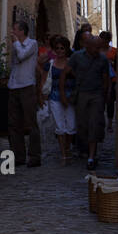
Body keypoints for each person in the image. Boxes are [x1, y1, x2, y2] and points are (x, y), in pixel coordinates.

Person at [69, 29, 111, 170]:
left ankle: (92, 156)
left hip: (96, 94)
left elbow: (106, 79)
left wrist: (105, 97)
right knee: (82, 125)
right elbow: (67, 71)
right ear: (87, 46)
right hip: (82, 94)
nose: (98, 50)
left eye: (99, 47)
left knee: (94, 123)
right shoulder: (77, 57)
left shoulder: (103, 59)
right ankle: (85, 149)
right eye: (96, 47)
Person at [7, 20, 41, 168]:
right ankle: (18, 156)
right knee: (14, 123)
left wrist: (15, 43)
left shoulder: (32, 44)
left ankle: (34, 156)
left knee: (30, 122)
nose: (12, 32)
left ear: (22, 31)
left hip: (27, 86)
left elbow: (21, 56)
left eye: (15, 30)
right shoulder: (17, 46)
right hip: (14, 85)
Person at [39, 35, 76, 163]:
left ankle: (67, 147)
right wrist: (42, 96)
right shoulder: (49, 65)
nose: (60, 51)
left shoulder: (72, 63)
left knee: (71, 126)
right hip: (54, 96)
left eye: (62, 48)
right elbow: (43, 80)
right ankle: (63, 153)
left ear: (66, 49)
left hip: (70, 96)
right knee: (60, 126)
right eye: (57, 48)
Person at [99, 30, 118, 132]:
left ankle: (110, 123)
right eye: (102, 40)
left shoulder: (114, 51)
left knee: (110, 102)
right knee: (100, 103)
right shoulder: (96, 52)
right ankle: (101, 122)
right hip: (99, 80)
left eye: (106, 40)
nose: (104, 43)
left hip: (113, 79)